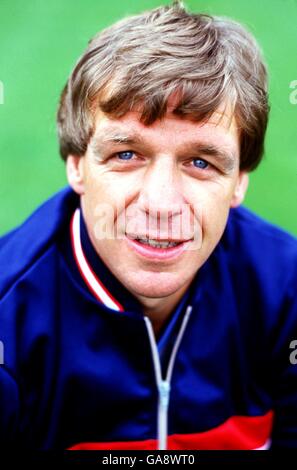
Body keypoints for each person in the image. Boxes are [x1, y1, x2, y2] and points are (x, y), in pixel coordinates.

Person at [0, 1, 296, 451]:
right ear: (77, 165)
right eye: (126, 154)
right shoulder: (8, 321)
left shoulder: (287, 293)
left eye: (201, 162)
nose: (161, 203)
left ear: (238, 182)